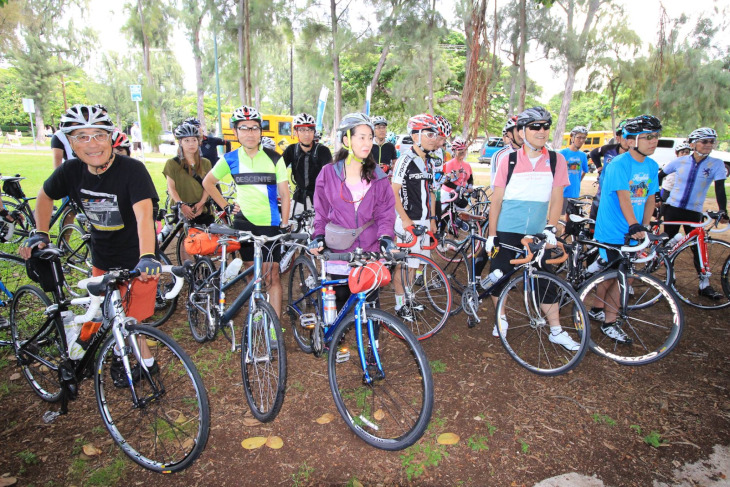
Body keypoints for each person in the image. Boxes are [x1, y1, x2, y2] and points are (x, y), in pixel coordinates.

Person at [19, 104, 161, 383]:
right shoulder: (71, 171)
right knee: (106, 316)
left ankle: (141, 363)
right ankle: (92, 350)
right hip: (103, 257)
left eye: (98, 135)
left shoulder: (132, 170)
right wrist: (41, 233)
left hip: (137, 257)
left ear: (110, 137)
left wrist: (148, 255)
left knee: (133, 320)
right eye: (81, 137)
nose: (92, 144)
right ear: (70, 142)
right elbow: (45, 196)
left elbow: (144, 215)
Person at [484, 107, 579, 350]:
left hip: (538, 231)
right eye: (535, 126)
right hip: (508, 228)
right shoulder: (509, 159)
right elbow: (497, 199)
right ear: (522, 131)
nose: (542, 131)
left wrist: (551, 227)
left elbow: (557, 198)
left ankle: (556, 329)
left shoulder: (557, 159)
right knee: (499, 275)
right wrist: (492, 234)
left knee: (545, 279)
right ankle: (501, 318)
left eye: (546, 126)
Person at [202, 105, 290, 318]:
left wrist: (285, 224)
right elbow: (208, 182)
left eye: (254, 128)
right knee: (253, 275)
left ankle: (273, 327)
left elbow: (285, 195)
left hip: (270, 224)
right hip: (244, 224)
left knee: (273, 277)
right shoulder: (230, 159)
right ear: (235, 132)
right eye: (244, 128)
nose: (250, 133)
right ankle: (258, 314)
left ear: (261, 131)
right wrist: (226, 206)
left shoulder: (274, 158)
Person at [309, 113, 396, 314]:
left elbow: (385, 212)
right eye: (361, 137)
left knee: (371, 308)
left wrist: (385, 236)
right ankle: (332, 343)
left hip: (369, 251)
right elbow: (320, 210)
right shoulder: (328, 173)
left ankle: (373, 345)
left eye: (370, 137)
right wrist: (318, 235)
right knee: (338, 308)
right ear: (347, 140)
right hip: (339, 252)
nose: (367, 143)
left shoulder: (379, 176)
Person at [591, 115, 663, 343]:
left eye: (656, 137)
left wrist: (644, 225)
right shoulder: (618, 165)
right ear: (632, 141)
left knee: (626, 278)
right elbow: (624, 197)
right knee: (612, 276)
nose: (653, 141)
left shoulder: (651, 166)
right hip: (613, 230)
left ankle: (608, 317)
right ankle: (599, 310)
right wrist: (633, 224)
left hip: (634, 231)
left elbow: (650, 198)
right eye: (647, 137)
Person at [658, 127, 728, 300]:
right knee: (667, 245)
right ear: (693, 144)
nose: (708, 145)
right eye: (704, 141)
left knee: (698, 247)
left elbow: (720, 188)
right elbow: (659, 176)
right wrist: (656, 196)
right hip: (672, 209)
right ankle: (669, 278)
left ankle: (704, 285)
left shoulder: (716, 164)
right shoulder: (680, 162)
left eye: (711, 142)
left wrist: (723, 209)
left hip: (694, 211)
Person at [391, 113, 441, 321]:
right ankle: (399, 304)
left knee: (414, 265)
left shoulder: (428, 161)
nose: (433, 138)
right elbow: (393, 192)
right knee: (403, 266)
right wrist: (404, 219)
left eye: (435, 134)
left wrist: (432, 219)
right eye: (429, 134)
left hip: (423, 220)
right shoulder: (405, 159)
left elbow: (430, 192)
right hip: (407, 221)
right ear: (415, 136)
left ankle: (409, 297)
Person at [164, 123, 214, 262]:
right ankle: (186, 268)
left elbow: (208, 185)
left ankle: (203, 268)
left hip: (201, 206)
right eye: (186, 140)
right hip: (182, 207)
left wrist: (202, 202)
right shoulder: (172, 163)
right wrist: (181, 204)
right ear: (180, 142)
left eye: (194, 140)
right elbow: (171, 187)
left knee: (203, 239)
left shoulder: (205, 163)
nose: (191, 144)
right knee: (184, 239)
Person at [283, 113, 332, 216]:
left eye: (310, 130)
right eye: (302, 130)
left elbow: (329, 172)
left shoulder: (322, 150)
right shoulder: (291, 150)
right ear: (296, 132)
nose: (307, 134)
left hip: (319, 197)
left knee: (319, 228)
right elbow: (279, 169)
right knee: (295, 227)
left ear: (314, 132)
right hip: (299, 197)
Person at [588, 121, 630, 221]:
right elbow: (593, 153)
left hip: (622, 200)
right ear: (618, 138)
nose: (627, 140)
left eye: (631, 137)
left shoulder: (635, 157)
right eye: (624, 136)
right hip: (602, 195)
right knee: (593, 223)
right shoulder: (608, 149)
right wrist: (599, 168)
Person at [559, 126, 590, 213]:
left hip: (575, 192)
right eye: (579, 137)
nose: (581, 140)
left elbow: (585, 170)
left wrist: (578, 181)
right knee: (560, 219)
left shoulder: (583, 155)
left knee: (572, 219)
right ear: (572, 137)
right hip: (562, 192)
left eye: (584, 138)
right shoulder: (562, 153)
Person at [439, 137, 473, 212]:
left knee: (461, 218)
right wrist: (457, 187)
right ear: (454, 151)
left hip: (460, 196)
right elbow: (445, 181)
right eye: (460, 149)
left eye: (464, 150)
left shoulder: (467, 165)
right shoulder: (448, 164)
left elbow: (470, 178)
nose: (462, 152)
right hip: (447, 194)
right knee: (445, 218)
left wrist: (470, 186)